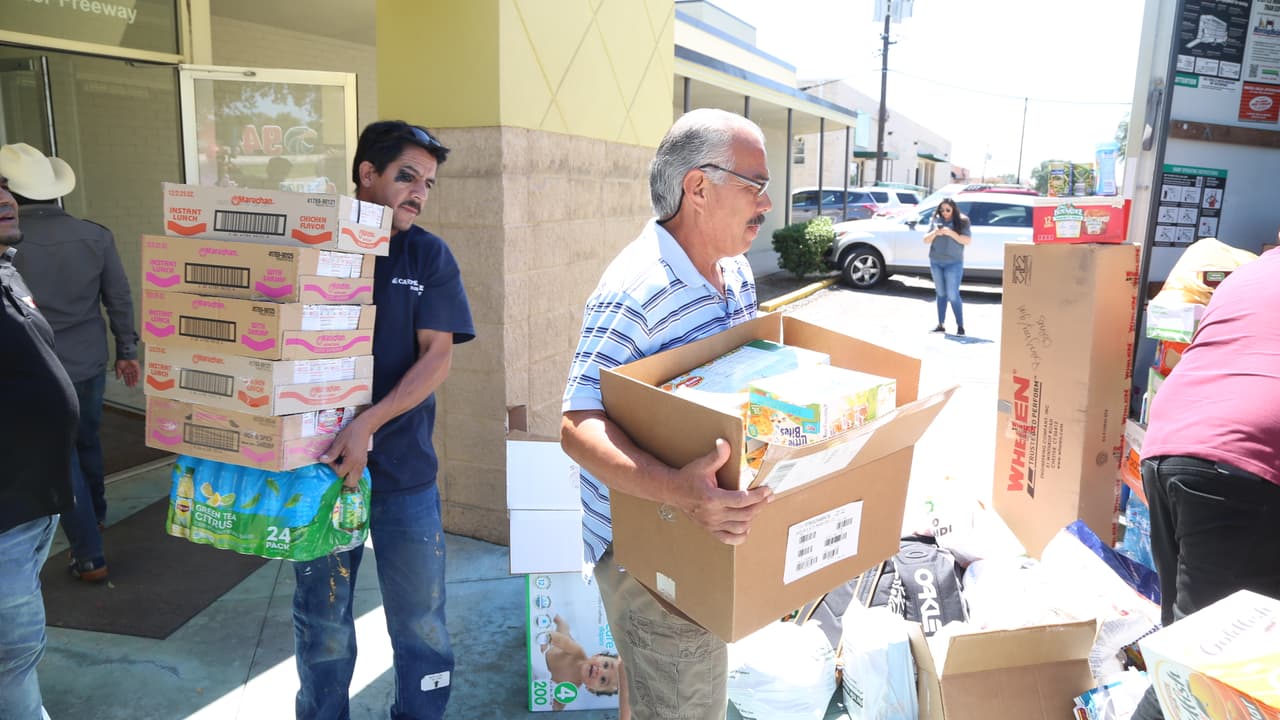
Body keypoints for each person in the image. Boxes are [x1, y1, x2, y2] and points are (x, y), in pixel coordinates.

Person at [560, 108, 775, 720]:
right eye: (753, 184)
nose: (765, 202)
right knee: (683, 702)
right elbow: (577, 426)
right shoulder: (636, 289)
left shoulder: (733, 270)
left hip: (705, 536)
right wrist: (680, 493)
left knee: (656, 694)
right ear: (698, 188)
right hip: (652, 551)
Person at [294, 120, 474, 720]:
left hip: (405, 476)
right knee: (323, 624)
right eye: (406, 176)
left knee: (421, 623)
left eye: (428, 182)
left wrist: (367, 424)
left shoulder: (426, 253)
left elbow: (437, 357)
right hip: (318, 473)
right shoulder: (315, 246)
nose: (419, 191)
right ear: (366, 175)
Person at [1130, 247, 1280, 719]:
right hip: (1238, 464)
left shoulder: (1250, 273)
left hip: (1171, 444)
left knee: (1186, 639)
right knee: (1204, 667)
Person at [0, 142, 140, 583]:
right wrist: (128, 350)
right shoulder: (94, 234)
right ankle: (95, 516)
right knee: (87, 443)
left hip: (38, 369)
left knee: (65, 458)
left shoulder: (13, 241)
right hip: (88, 362)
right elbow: (118, 297)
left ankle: (89, 552)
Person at [0, 173, 80, 719]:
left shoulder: (7, 270)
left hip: (32, 508)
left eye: (4, 189)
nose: (6, 200)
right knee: (12, 658)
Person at [539, 615, 625, 711]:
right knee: (563, 629)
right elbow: (559, 640)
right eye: (606, 665)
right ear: (597, 655)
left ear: (591, 689)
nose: (600, 671)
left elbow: (558, 704)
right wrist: (547, 638)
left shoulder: (571, 689)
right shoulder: (577, 651)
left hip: (545, 668)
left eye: (603, 680)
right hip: (554, 649)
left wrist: (554, 707)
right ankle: (561, 622)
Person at [923, 197, 971, 335]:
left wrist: (950, 233)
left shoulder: (962, 221)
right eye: (942, 210)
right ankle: (941, 324)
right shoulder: (935, 220)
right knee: (940, 293)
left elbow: (967, 240)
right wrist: (935, 232)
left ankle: (960, 326)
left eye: (948, 210)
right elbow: (925, 240)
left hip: (954, 263)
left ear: (954, 209)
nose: (944, 212)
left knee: (952, 294)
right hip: (936, 261)